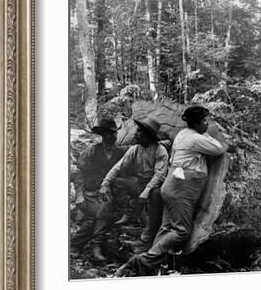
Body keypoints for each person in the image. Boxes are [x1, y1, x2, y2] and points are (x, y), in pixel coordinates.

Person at [116, 105, 225, 276]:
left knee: (166, 228)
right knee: (181, 231)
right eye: (205, 121)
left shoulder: (183, 134)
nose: (207, 124)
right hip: (181, 188)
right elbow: (219, 148)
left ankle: (147, 267)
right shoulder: (195, 138)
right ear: (196, 123)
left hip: (172, 185)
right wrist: (207, 133)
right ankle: (142, 261)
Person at [99, 116, 169, 246]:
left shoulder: (160, 150)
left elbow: (160, 174)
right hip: (139, 183)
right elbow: (118, 167)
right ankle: (129, 213)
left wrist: (147, 190)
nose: (136, 134)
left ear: (148, 135)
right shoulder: (135, 149)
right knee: (118, 182)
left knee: (156, 194)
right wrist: (105, 183)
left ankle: (149, 234)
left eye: (139, 132)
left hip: (155, 186)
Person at [70, 118, 125, 263]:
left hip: (109, 195)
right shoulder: (92, 150)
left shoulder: (121, 152)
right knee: (96, 216)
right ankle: (81, 246)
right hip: (90, 194)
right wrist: (80, 195)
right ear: (102, 134)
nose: (112, 136)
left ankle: (83, 246)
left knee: (102, 213)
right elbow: (78, 173)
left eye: (114, 133)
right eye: (109, 133)